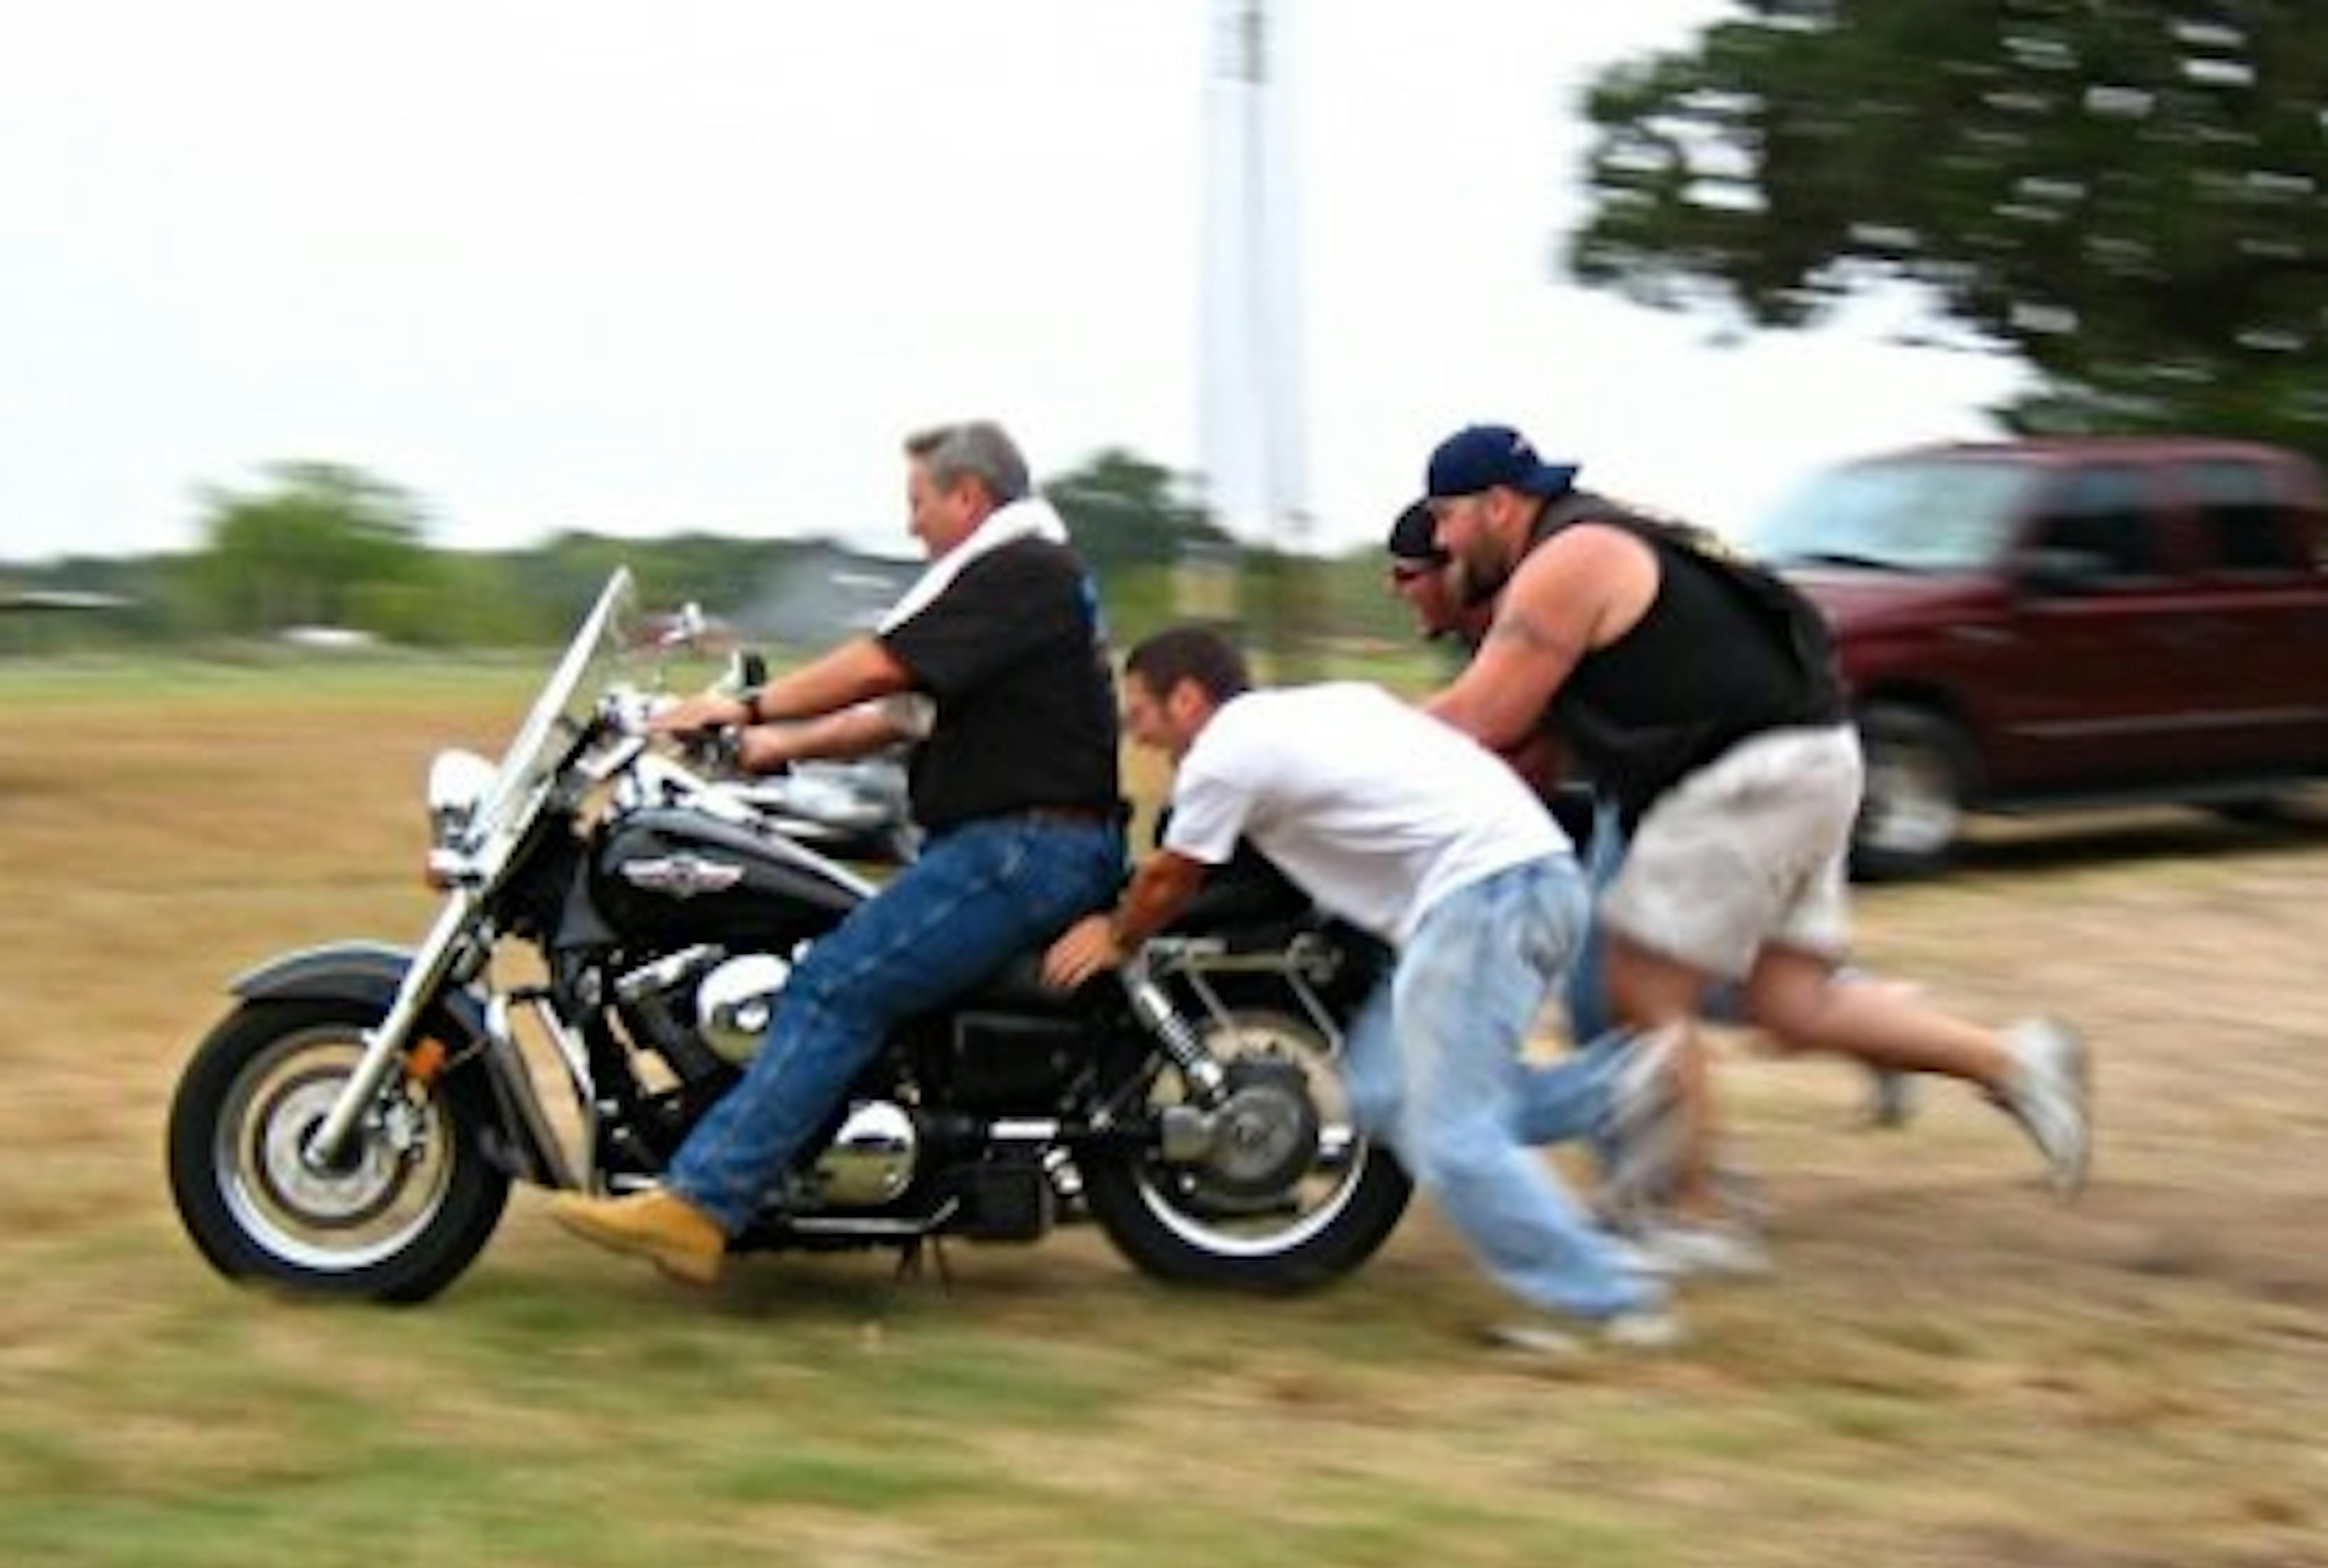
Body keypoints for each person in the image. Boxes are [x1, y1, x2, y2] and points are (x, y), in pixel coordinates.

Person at [1411, 424, 2091, 1234]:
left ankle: (1697, 1217)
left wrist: (1330, 736)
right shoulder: (1593, 539)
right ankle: (2017, 1062)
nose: (1442, 541)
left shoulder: (1567, 561)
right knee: (1790, 1004)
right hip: (1810, 758)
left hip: (1752, 774)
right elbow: (1536, 742)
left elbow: (1483, 717)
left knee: (1639, 989)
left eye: (1446, 519)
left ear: (1495, 505)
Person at [549, 421, 1128, 1285]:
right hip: (1019, 841)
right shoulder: (1011, 580)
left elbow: (881, 669)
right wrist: (759, 753)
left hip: (1025, 847)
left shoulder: (1020, 569)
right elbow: (895, 717)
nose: (912, 524)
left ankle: (702, 1204)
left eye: (919, 502)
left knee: (834, 982)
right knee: (835, 951)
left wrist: (747, 709)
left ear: (968, 496)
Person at [1043, 625, 1684, 1356]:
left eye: (1142, 716)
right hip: (1520, 885)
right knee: (1383, 1094)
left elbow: (1171, 878)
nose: (1143, 738)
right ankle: (1621, 1087)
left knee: (1452, 1138)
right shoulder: (1317, 710)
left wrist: (1115, 937)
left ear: (1187, 698)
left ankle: (1612, 1297)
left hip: (1486, 899)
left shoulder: (1224, 753)